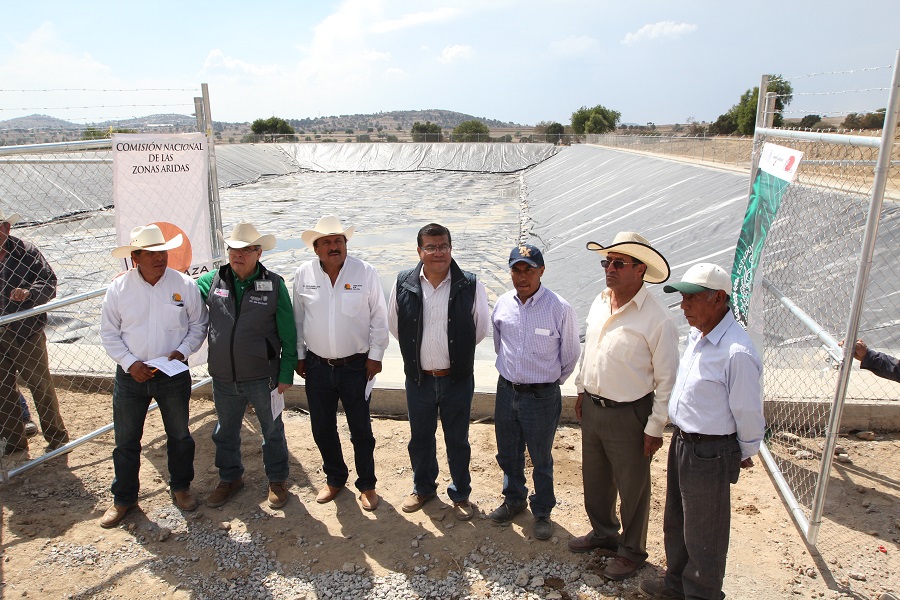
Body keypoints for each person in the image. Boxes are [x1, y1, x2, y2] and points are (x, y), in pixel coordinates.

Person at [639, 263, 764, 600]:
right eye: (683, 299)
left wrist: (744, 451)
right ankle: (675, 586)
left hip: (710, 452)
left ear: (719, 299)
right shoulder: (699, 336)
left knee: (704, 534)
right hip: (684, 443)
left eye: (692, 299)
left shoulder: (736, 352)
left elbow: (749, 412)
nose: (684, 307)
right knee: (676, 523)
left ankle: (701, 594)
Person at [569, 231, 679, 582]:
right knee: (596, 478)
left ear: (640, 270)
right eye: (607, 261)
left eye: (619, 263)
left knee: (633, 487)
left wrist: (655, 426)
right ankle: (603, 532)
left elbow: (667, 380)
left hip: (631, 413)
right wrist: (582, 389)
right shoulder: (600, 301)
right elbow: (590, 350)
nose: (609, 268)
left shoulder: (657, 320)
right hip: (595, 407)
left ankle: (632, 551)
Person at [99, 224, 208, 528]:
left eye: (162, 252)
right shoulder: (118, 289)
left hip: (172, 373)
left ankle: (181, 487)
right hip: (131, 376)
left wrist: (182, 352)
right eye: (153, 254)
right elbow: (109, 334)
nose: (160, 258)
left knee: (180, 435)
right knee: (126, 440)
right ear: (136, 257)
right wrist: (130, 363)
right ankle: (123, 498)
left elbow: (199, 324)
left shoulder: (184, 284)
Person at [388, 223, 490, 521]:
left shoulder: (470, 284)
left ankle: (460, 493)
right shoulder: (403, 283)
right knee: (420, 437)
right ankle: (423, 488)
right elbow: (396, 325)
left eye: (443, 246)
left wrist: (453, 358)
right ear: (419, 251)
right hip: (418, 379)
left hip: (456, 379)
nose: (437, 253)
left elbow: (479, 329)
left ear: (451, 248)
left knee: (457, 439)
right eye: (430, 247)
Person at [198, 223, 298, 510]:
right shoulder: (210, 282)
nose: (237, 255)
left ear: (258, 252)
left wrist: (285, 371)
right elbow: (175, 291)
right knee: (225, 431)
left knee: (272, 429)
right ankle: (230, 478)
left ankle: (277, 480)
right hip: (223, 377)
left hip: (263, 376)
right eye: (232, 249)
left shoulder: (275, 285)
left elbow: (288, 332)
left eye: (244, 250)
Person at [293, 216, 388, 511]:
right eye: (327, 243)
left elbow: (379, 317)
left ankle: (367, 484)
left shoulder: (365, 271)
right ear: (315, 248)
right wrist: (299, 355)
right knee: (322, 427)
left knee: (361, 429)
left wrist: (376, 356)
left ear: (345, 244)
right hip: (317, 365)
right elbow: (298, 319)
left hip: (356, 366)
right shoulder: (303, 274)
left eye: (338, 241)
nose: (334, 247)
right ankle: (335, 478)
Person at [489, 244, 580, 540]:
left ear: (542, 271)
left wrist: (546, 383)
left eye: (529, 269)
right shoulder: (502, 304)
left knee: (540, 457)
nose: (522, 276)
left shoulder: (559, 308)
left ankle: (542, 510)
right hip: (507, 391)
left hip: (541, 396)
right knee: (508, 451)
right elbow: (499, 344)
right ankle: (514, 499)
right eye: (516, 269)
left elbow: (570, 356)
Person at [0, 209, 69, 456]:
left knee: (40, 384)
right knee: (3, 389)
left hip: (25, 330)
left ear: (6, 228)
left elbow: (49, 282)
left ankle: (57, 439)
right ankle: (14, 442)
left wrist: (28, 293)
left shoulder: (26, 252)